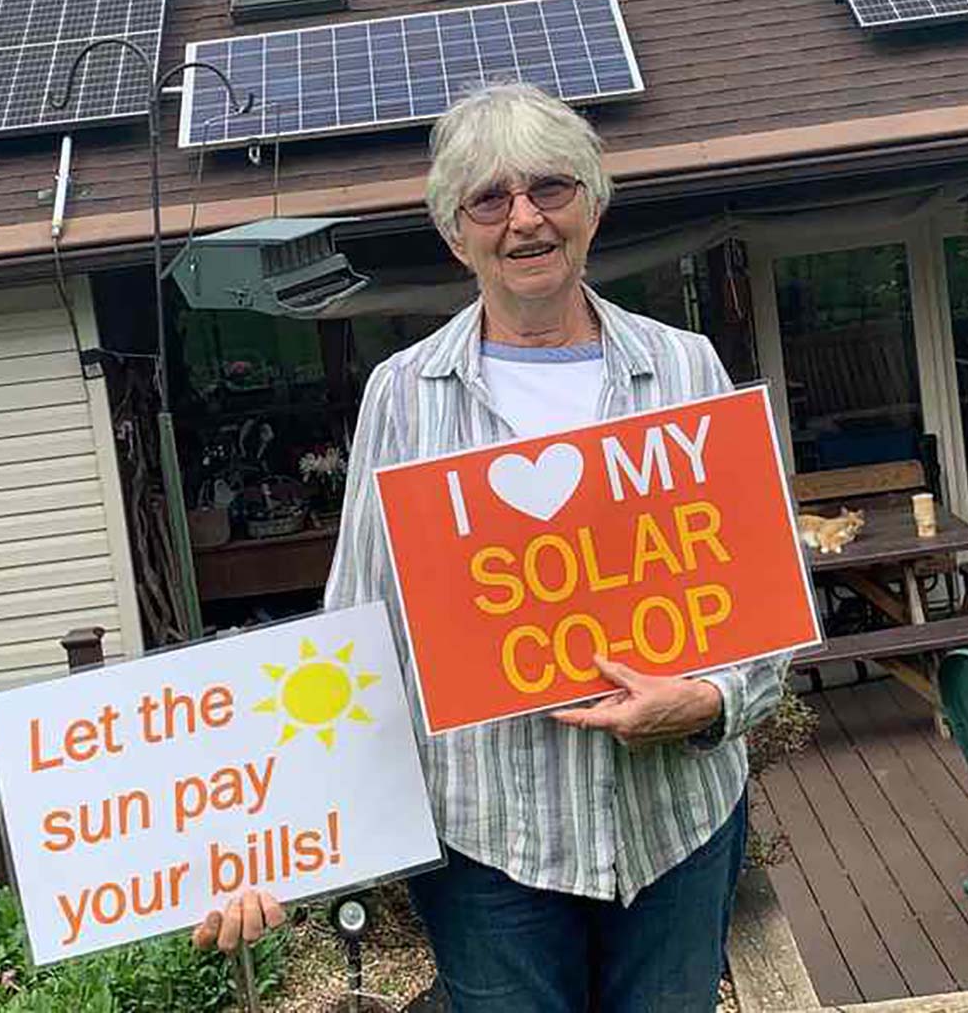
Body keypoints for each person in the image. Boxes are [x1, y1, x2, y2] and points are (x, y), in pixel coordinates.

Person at [194, 82, 788, 1011]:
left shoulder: (686, 368)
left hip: (676, 821)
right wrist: (272, 842)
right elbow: (355, 634)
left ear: (593, 203)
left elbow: (762, 603)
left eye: (550, 189)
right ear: (454, 231)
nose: (525, 221)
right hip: (489, 841)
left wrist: (712, 699)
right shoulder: (402, 394)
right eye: (489, 200)